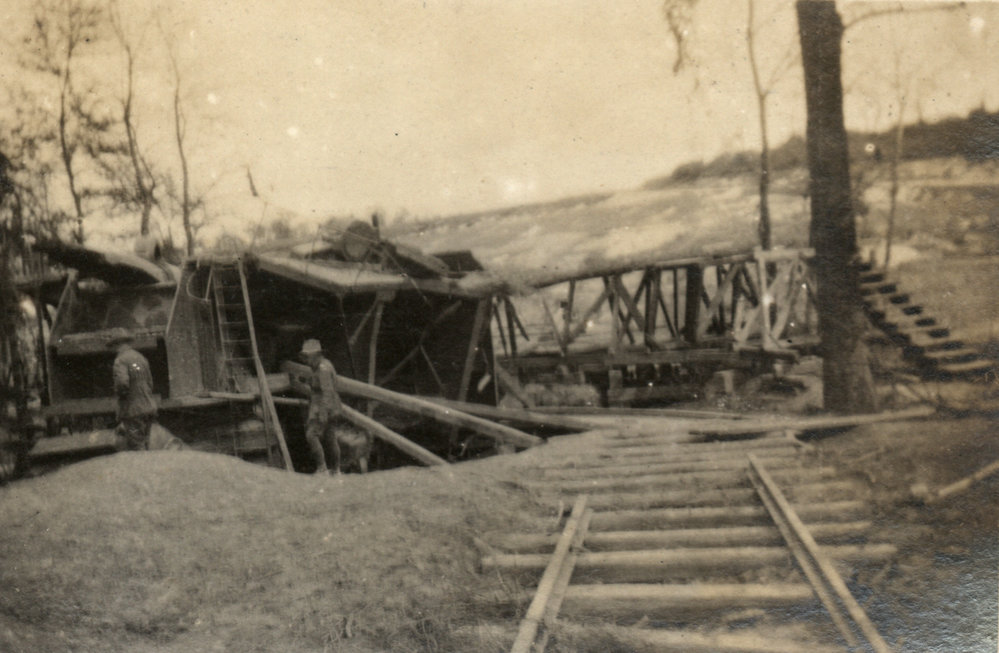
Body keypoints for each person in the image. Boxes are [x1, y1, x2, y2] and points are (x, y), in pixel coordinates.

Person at [108, 328, 157, 451]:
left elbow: (122, 384)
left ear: (116, 344)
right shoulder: (141, 358)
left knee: (136, 446)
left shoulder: (120, 360)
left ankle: (142, 469)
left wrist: (121, 397)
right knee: (146, 443)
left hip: (133, 411)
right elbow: (150, 383)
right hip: (148, 407)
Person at [301, 338, 343, 475]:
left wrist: (323, 413)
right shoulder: (324, 365)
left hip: (324, 407)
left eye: (308, 356)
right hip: (332, 407)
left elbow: (327, 392)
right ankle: (336, 470)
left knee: (311, 435)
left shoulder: (323, 369)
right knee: (330, 437)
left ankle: (322, 468)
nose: (306, 359)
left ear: (315, 355)